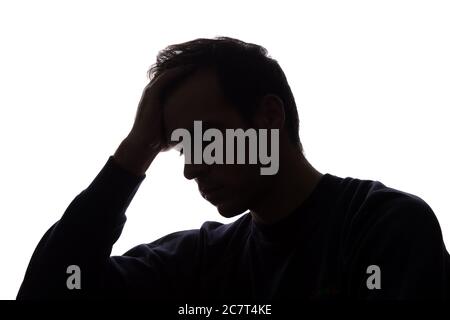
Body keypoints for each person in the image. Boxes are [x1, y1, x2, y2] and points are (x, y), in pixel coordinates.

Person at [17, 37, 450, 300]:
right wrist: (135, 152)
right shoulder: (200, 262)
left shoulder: (382, 227)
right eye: (180, 145)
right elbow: (54, 291)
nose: (191, 169)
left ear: (269, 116)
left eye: (207, 138)